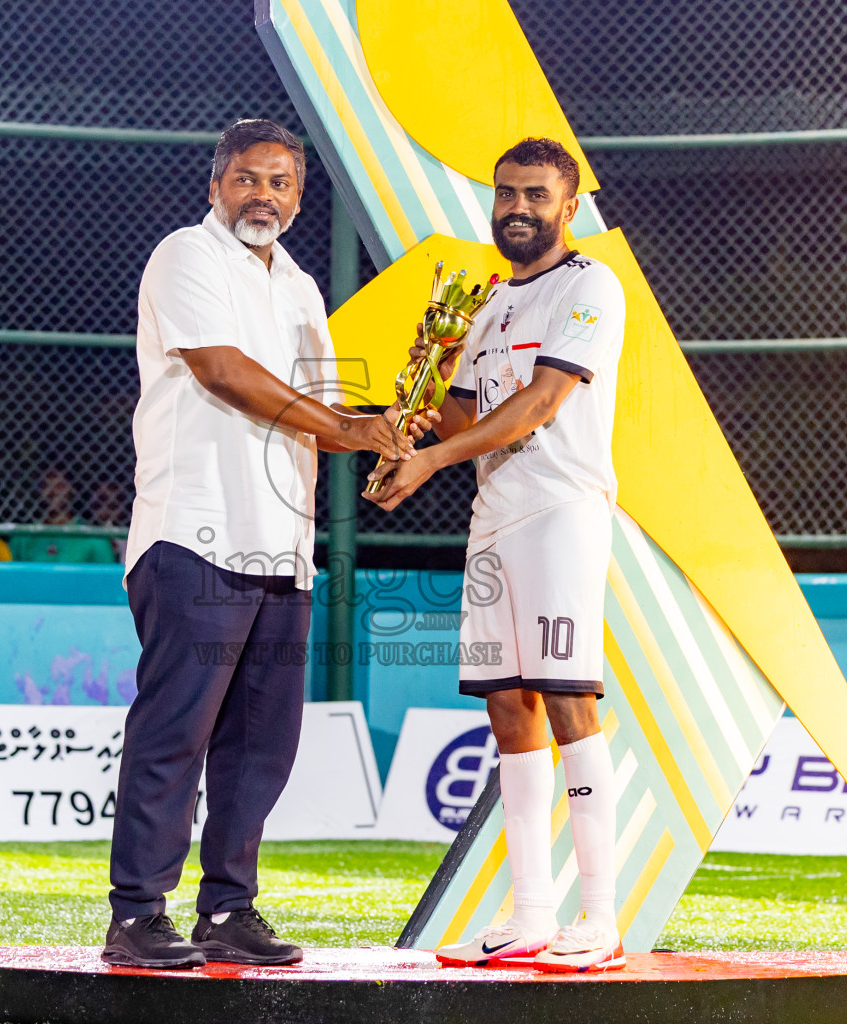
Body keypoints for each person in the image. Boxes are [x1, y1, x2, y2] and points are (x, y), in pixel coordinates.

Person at [105, 118, 429, 970]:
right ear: (216, 185)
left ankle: (227, 912)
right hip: (193, 532)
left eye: (281, 183)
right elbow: (224, 371)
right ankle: (138, 915)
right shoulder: (186, 255)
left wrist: (383, 449)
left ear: (297, 196)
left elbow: (317, 413)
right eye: (248, 179)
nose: (264, 196)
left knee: (260, 745)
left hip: (282, 549)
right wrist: (350, 428)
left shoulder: (299, 285)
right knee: (175, 730)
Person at [365, 137, 627, 973]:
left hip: (562, 514)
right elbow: (470, 415)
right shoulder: (484, 307)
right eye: (507, 193)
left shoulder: (591, 288)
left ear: (569, 205)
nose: (518, 207)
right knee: (509, 710)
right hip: (496, 519)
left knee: (567, 701)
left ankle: (602, 916)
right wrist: (420, 393)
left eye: (536, 195)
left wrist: (432, 460)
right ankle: (531, 915)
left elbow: (542, 404)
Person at [9, 469, 117, 563]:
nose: (52, 492)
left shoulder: (93, 539)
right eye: (46, 485)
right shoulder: (23, 537)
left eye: (59, 486)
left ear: (73, 489)